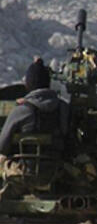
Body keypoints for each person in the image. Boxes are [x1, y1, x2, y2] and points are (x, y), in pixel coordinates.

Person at [0, 58, 69, 198]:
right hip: (54, 171)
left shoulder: (21, 110)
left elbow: (2, 146)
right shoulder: (63, 108)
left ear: (29, 84)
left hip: (22, 172)